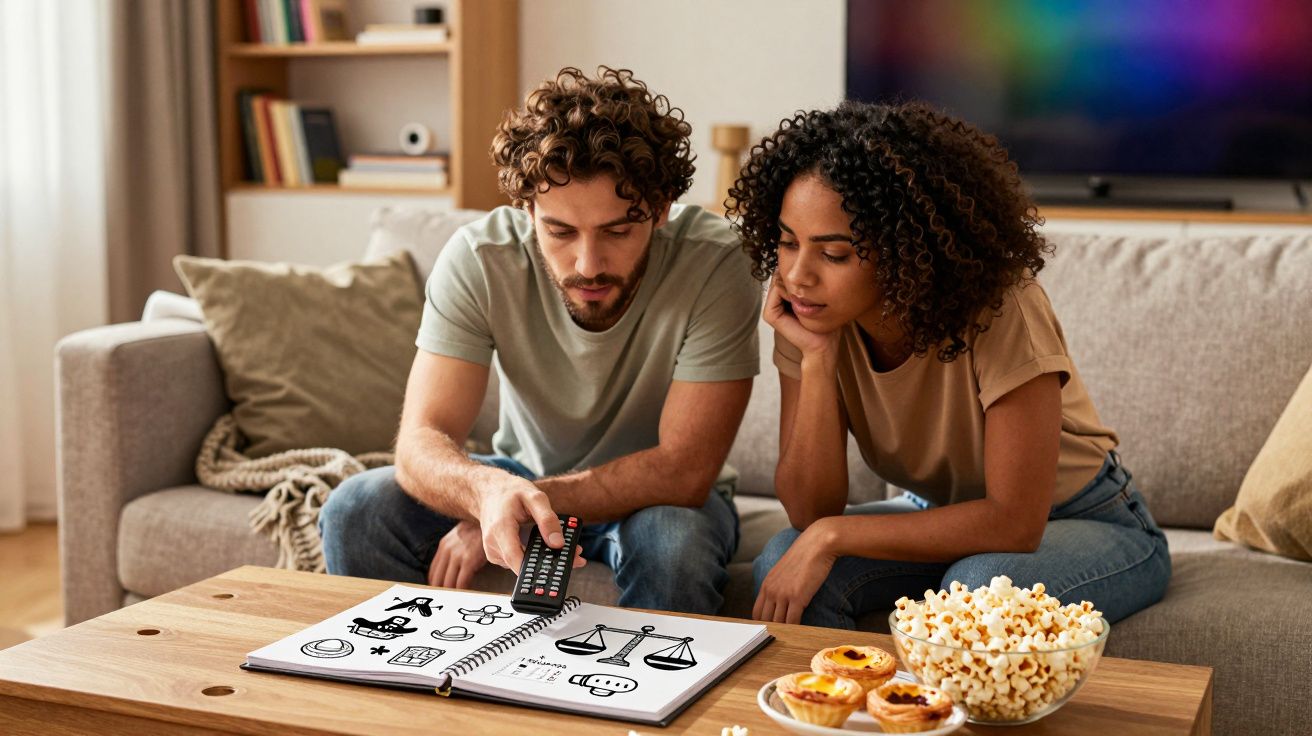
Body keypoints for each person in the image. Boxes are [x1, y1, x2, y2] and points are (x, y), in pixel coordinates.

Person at [319, 67, 762, 615]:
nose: (588, 264)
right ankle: (406, 670)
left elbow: (684, 471)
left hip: (659, 499)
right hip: (521, 473)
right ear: (527, 209)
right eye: (560, 231)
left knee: (674, 546)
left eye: (618, 231)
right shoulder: (480, 259)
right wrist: (487, 492)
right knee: (356, 508)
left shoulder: (716, 263)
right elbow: (419, 443)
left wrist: (521, 505)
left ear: (662, 208)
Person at [728, 100, 1170, 628]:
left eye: (834, 254)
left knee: (981, 590)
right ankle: (850, 688)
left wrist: (833, 535)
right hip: (940, 514)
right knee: (785, 556)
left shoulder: (1001, 307)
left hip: (1085, 518)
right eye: (787, 242)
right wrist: (818, 360)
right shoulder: (810, 319)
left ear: (902, 247)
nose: (798, 275)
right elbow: (809, 512)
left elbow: (1014, 522)